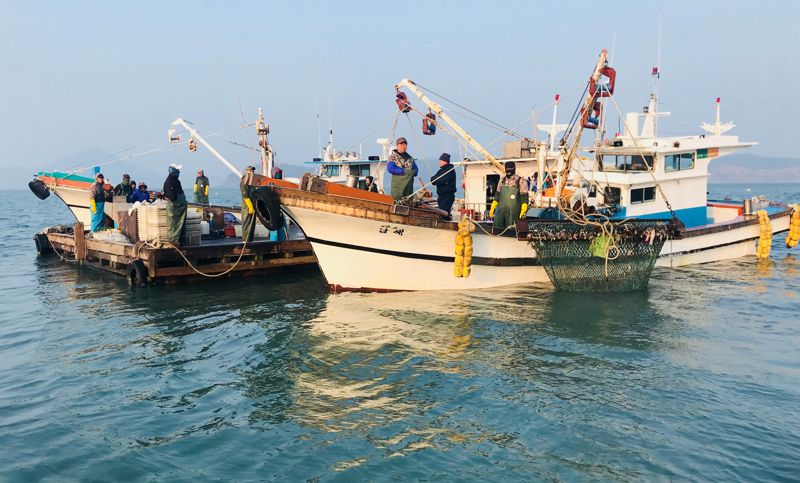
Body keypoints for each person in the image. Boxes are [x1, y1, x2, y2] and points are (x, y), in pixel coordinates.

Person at [490, 161, 529, 229]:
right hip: (500, 212)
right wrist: (493, 205)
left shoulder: (521, 180)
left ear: (514, 169)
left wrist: (524, 207)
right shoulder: (502, 180)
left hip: (513, 212)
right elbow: (498, 194)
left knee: (511, 228)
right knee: (497, 229)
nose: (508, 171)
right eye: (507, 169)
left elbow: (524, 196)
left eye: (510, 169)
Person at [163, 163, 187, 246]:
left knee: (181, 224)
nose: (179, 172)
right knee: (174, 224)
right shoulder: (169, 182)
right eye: (177, 170)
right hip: (175, 208)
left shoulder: (176, 181)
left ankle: (180, 239)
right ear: (173, 170)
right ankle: (174, 240)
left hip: (180, 207)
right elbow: (172, 197)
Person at [430, 152, 456, 217]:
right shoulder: (441, 171)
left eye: (441, 161)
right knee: (441, 212)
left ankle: (446, 224)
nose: (439, 162)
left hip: (447, 196)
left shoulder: (450, 170)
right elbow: (432, 180)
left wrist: (437, 180)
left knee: (444, 213)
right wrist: (437, 180)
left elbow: (443, 180)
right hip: (441, 196)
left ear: (445, 162)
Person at [240, 166, 257, 242]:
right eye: (250, 170)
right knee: (247, 223)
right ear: (247, 171)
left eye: (253, 170)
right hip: (246, 206)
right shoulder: (244, 181)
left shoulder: (252, 181)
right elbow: (245, 195)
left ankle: (250, 240)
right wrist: (250, 206)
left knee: (252, 224)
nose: (252, 172)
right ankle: (245, 241)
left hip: (253, 204)